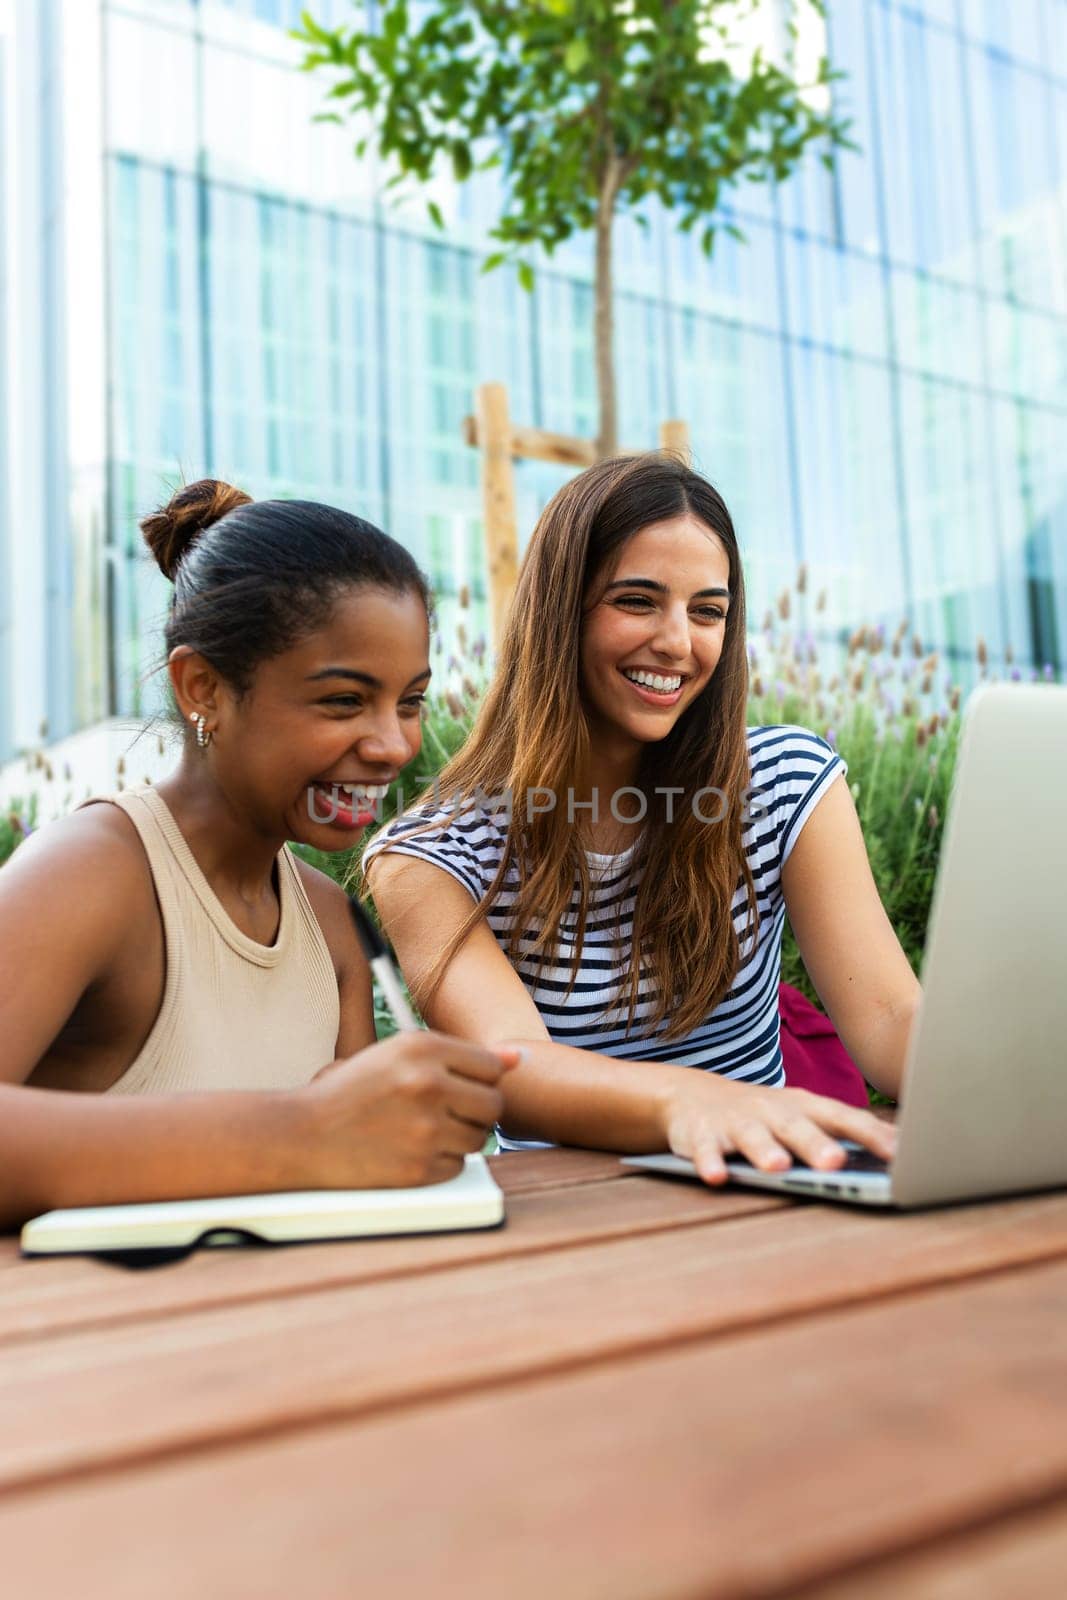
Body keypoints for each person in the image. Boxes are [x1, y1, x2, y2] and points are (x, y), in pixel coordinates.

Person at [366, 454, 918, 1183]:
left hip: (767, 1191)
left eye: (708, 611)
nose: (678, 643)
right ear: (558, 610)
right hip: (577, 1219)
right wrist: (694, 1105)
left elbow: (887, 1021)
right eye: (636, 600)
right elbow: (516, 1073)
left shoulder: (785, 785)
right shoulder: (430, 855)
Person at [0, 481, 516, 1231]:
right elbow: (314, 1140)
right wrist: (305, 1130)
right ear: (202, 688)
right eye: (344, 701)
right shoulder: (93, 875)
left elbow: (346, 1179)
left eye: (409, 701)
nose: (394, 745)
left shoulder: (330, 920)